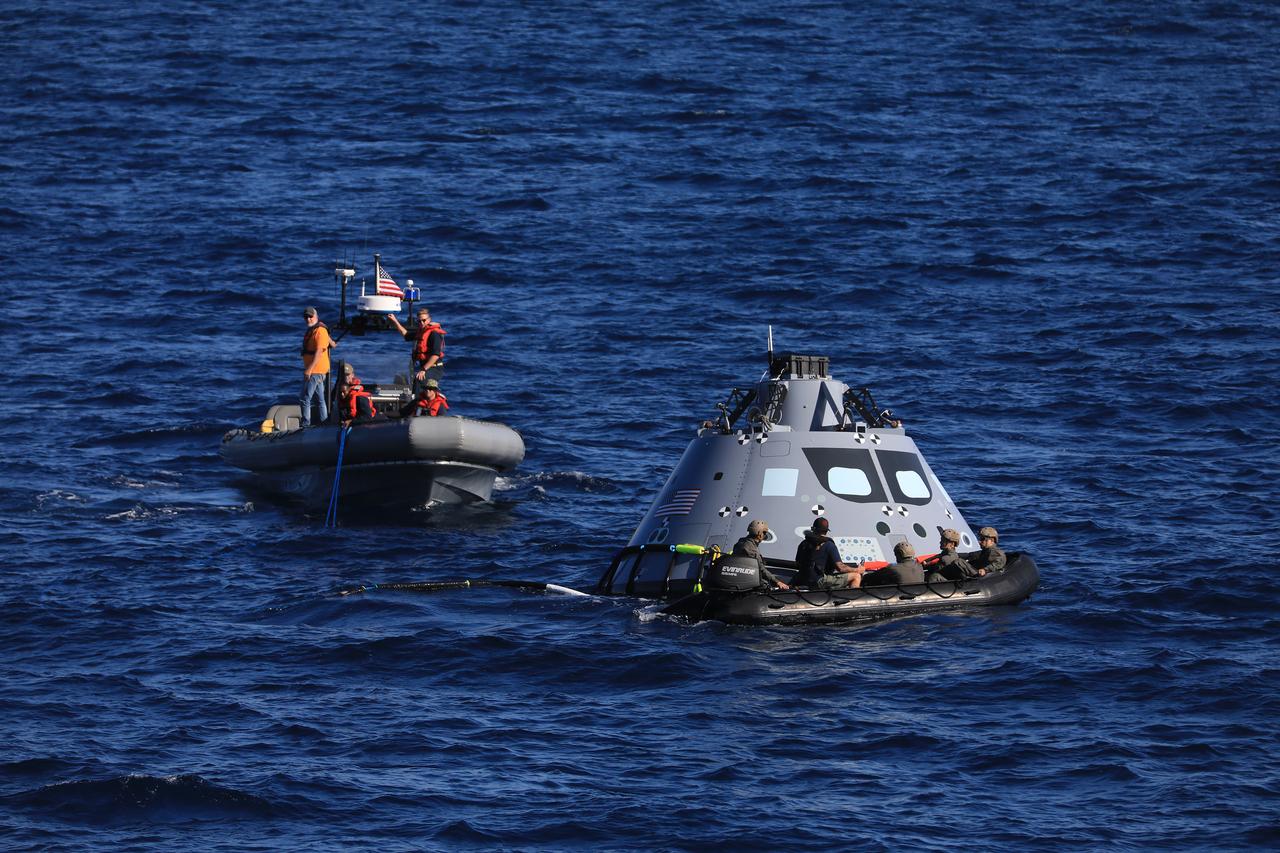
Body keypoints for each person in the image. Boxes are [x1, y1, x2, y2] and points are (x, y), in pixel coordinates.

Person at [793, 517, 864, 589]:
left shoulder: (803, 544)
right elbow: (841, 568)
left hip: (802, 580)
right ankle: (853, 595)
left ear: (813, 529)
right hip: (818, 581)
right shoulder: (829, 545)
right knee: (856, 576)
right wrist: (858, 570)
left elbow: (798, 563)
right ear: (826, 531)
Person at [388, 306, 446, 390]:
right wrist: (394, 320)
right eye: (419, 321)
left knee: (419, 380)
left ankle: (418, 397)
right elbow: (406, 334)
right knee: (400, 378)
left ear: (429, 320)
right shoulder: (421, 332)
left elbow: (435, 355)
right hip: (423, 367)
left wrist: (423, 370)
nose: (422, 323)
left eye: (424, 320)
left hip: (434, 368)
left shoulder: (434, 334)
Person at [299, 306, 333, 428]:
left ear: (316, 316)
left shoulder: (320, 331)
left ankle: (305, 425)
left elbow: (318, 352)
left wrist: (309, 369)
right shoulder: (315, 329)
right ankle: (325, 423)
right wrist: (332, 343)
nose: (308, 319)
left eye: (310, 316)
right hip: (317, 371)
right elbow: (328, 341)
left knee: (304, 398)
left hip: (315, 371)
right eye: (306, 317)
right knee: (320, 399)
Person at [731, 520, 789, 590]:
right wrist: (777, 582)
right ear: (760, 533)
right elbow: (761, 569)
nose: (764, 535)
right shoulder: (752, 549)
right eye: (764, 533)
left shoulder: (741, 543)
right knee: (766, 586)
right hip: (745, 579)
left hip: (737, 577)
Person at [862, 541, 926, 586]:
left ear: (898, 554)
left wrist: (863, 575)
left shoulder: (893, 568)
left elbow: (871, 578)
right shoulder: (920, 567)